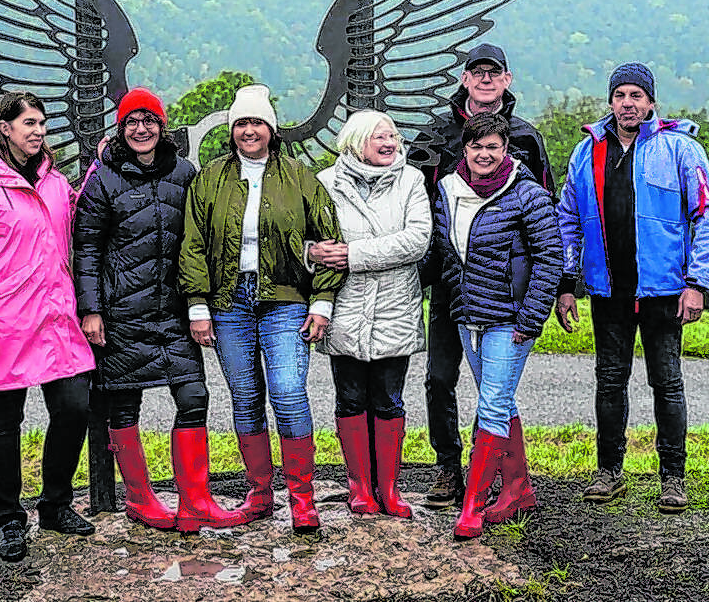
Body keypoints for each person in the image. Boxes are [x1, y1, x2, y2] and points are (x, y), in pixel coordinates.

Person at [73, 88, 248, 533]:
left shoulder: (184, 173)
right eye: (132, 121)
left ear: (162, 125)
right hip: (121, 312)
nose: (141, 128)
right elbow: (87, 248)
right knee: (124, 407)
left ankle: (197, 499)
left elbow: (202, 239)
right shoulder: (103, 177)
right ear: (120, 127)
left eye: (149, 120)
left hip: (174, 310)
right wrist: (90, 310)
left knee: (194, 398)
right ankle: (140, 499)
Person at [554, 62, 709, 515]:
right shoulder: (585, 152)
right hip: (607, 290)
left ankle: (673, 478)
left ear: (651, 102)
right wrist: (566, 284)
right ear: (610, 102)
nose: (628, 103)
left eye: (636, 96)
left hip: (664, 290)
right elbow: (567, 219)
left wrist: (697, 282)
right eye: (620, 95)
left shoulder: (680, 149)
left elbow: (707, 214)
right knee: (610, 383)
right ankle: (609, 471)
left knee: (666, 384)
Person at [179, 83, 345, 533]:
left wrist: (323, 300)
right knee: (246, 397)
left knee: (289, 394)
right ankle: (260, 493)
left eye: (256, 122)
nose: (248, 131)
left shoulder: (301, 178)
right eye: (241, 124)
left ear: (270, 128)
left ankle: (303, 498)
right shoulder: (210, 178)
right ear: (231, 129)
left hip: (286, 300)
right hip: (228, 303)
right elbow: (193, 243)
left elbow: (329, 243)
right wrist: (198, 305)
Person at [0, 91, 96, 562]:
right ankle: (8, 519)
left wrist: (102, 168)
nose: (38, 132)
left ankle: (55, 504)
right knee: (4, 422)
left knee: (74, 409)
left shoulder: (52, 180)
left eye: (42, 124)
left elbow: (78, 212)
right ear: (4, 127)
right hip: (2, 321)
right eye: (28, 123)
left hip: (55, 318)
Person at [417, 42, 555, 510]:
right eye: (477, 72)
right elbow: (417, 207)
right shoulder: (436, 135)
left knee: (493, 390)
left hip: (503, 292)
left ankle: (498, 482)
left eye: (493, 72)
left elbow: (547, 218)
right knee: (439, 378)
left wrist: (562, 288)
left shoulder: (527, 138)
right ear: (465, 78)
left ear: (507, 79)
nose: (485, 79)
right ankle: (448, 467)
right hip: (450, 286)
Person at [312, 110, 432, 518]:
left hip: (394, 309)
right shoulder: (326, 184)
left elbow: (417, 240)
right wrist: (315, 253)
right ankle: (360, 489)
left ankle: (390, 489)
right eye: (379, 136)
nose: (389, 143)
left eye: (393, 136)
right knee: (349, 398)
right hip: (344, 308)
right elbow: (313, 239)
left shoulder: (411, 181)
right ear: (356, 141)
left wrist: (353, 254)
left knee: (388, 398)